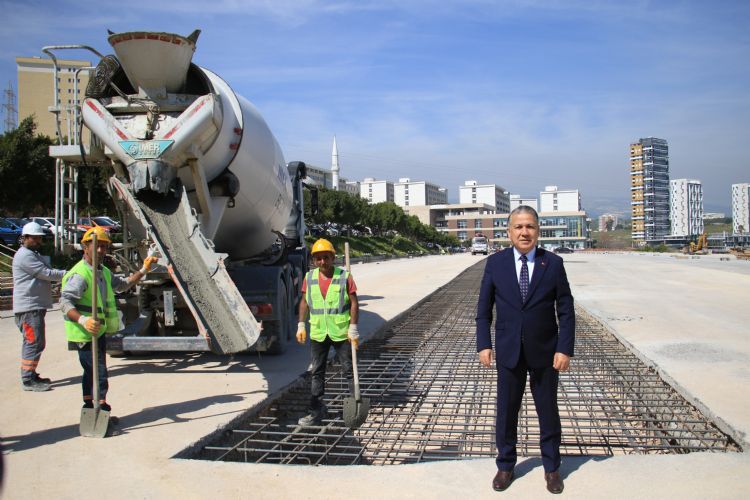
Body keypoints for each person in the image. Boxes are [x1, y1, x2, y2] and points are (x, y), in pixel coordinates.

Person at [476, 205, 575, 495]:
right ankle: (506, 465)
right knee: (506, 412)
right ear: (509, 232)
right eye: (518, 227)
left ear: (538, 231)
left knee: (548, 411)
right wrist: (484, 344)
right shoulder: (495, 264)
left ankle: (552, 468)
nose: (524, 232)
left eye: (530, 226)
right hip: (508, 351)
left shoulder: (553, 264)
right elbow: (484, 311)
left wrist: (564, 348)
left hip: (546, 352)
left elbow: (566, 311)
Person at [60, 227, 157, 417]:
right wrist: (83, 319)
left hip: (98, 330)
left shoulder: (103, 271)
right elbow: (64, 302)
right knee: (98, 372)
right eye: (96, 246)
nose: (100, 250)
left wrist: (144, 269)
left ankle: (91, 406)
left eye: (104, 247)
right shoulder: (80, 274)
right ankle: (98, 409)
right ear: (84, 247)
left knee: (93, 372)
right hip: (85, 332)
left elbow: (123, 285)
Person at [296, 238, 359, 426]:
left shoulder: (344, 276)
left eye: (326, 257)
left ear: (333, 257)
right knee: (317, 372)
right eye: (318, 258)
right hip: (318, 333)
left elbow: (354, 303)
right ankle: (316, 410)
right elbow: (304, 302)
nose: (322, 262)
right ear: (314, 260)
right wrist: (301, 324)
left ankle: (355, 408)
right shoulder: (310, 277)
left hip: (341, 333)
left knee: (349, 370)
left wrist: (353, 327)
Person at [12, 222, 67, 391]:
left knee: (36, 342)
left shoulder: (31, 254)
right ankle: (28, 379)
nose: (38, 241)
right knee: (33, 342)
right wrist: (70, 274)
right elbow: (46, 274)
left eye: (40, 238)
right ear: (25, 238)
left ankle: (31, 373)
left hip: (33, 307)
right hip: (28, 308)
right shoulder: (25, 256)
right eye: (35, 238)